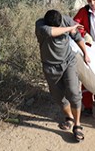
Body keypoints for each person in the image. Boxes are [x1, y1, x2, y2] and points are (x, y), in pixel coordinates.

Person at [35, 9, 91, 142]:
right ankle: (69, 117)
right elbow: (52, 32)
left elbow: (77, 37)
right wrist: (70, 28)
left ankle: (77, 125)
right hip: (50, 66)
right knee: (58, 97)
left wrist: (86, 54)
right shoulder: (41, 25)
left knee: (74, 93)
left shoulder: (65, 20)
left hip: (68, 62)